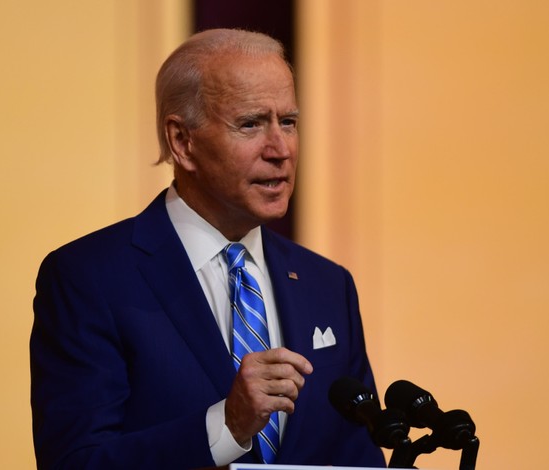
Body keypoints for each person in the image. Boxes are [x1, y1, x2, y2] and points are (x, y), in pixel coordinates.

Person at [30, 29, 385, 469]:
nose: (280, 150)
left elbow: (358, 460)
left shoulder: (328, 285)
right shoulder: (89, 279)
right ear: (182, 142)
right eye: (251, 123)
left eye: (288, 122)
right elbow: (76, 462)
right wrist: (226, 427)